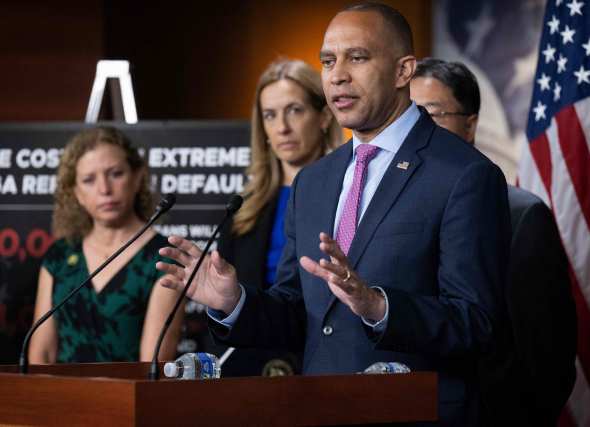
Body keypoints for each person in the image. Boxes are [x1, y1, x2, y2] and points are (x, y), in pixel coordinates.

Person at [157, 3, 511, 426]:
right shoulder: (313, 181)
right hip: (320, 410)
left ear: (404, 72)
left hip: (413, 412)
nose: (337, 74)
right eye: (328, 61)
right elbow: (298, 312)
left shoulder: (464, 174)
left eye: (357, 57)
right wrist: (234, 302)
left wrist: (377, 305)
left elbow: (478, 325)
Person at [410, 58, 577, 426]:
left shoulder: (522, 216)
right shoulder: (393, 212)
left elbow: (548, 358)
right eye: (408, 115)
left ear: (470, 125)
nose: (417, 129)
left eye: (432, 114)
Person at [213, 59, 344, 376]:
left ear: (325, 115)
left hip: (325, 360)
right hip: (251, 367)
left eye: (294, 110)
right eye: (270, 115)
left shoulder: (350, 195)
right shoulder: (241, 209)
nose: (281, 127)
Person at [30, 127, 184, 364]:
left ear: (137, 177)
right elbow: (41, 356)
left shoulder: (166, 258)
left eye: (115, 174)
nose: (104, 189)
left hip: (127, 399)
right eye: (89, 180)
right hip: (58, 398)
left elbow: (153, 369)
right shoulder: (59, 256)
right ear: (76, 193)